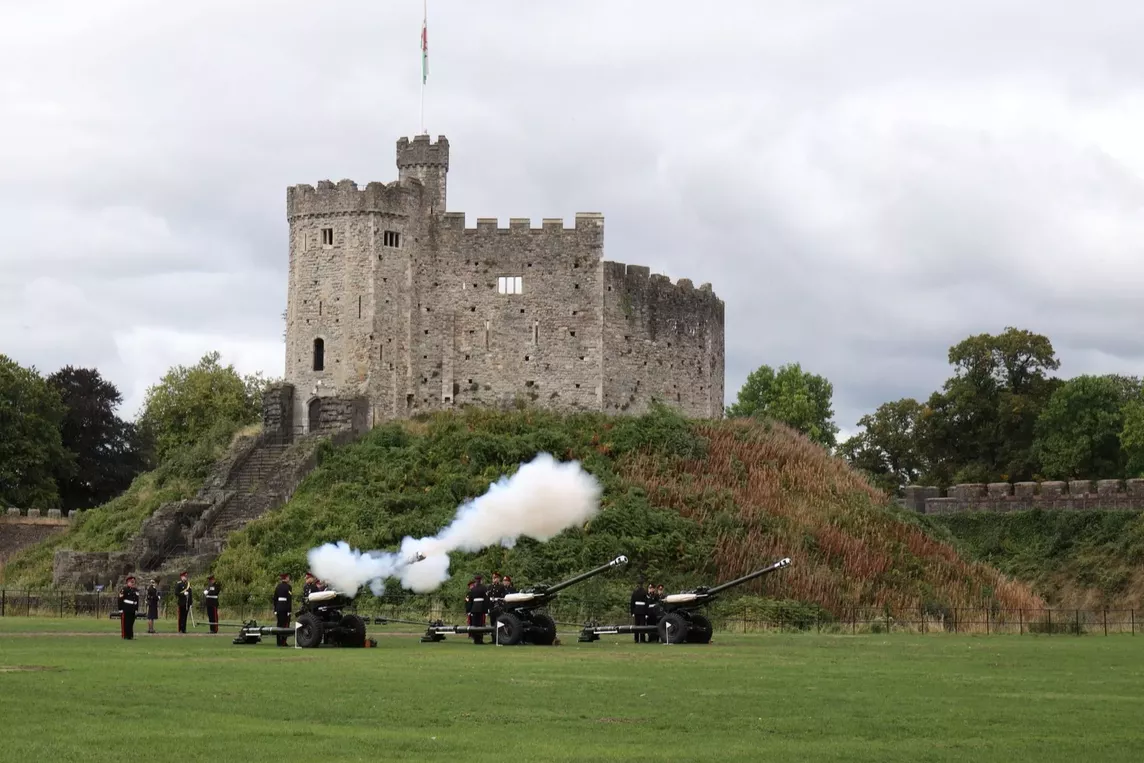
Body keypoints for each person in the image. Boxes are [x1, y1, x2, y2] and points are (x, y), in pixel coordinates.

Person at [467, 574, 488, 644]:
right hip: (481, 607)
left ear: (476, 581)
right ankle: (480, 639)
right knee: (480, 624)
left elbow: (470, 601)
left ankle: (475, 639)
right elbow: (486, 600)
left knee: (475, 624)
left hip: (474, 608)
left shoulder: (472, 589)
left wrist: (469, 610)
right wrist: (486, 610)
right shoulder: (484, 588)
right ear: (480, 580)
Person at [273, 573, 292, 647]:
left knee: (279, 624)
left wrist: (275, 609)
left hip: (278, 607)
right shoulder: (288, 587)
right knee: (285, 625)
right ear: (286, 578)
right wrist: (289, 610)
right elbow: (289, 599)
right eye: (288, 578)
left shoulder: (278, 586)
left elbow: (275, 598)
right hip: (285, 608)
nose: (289, 579)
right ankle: (283, 642)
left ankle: (278, 641)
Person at [118, 576, 140, 640]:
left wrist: (136, 609)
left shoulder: (136, 590)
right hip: (126, 608)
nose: (133, 583)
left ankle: (130, 636)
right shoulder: (124, 589)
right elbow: (120, 599)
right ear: (128, 582)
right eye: (131, 582)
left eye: (134, 582)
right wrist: (120, 609)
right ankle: (125, 636)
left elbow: (137, 600)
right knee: (126, 623)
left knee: (131, 623)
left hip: (132, 608)